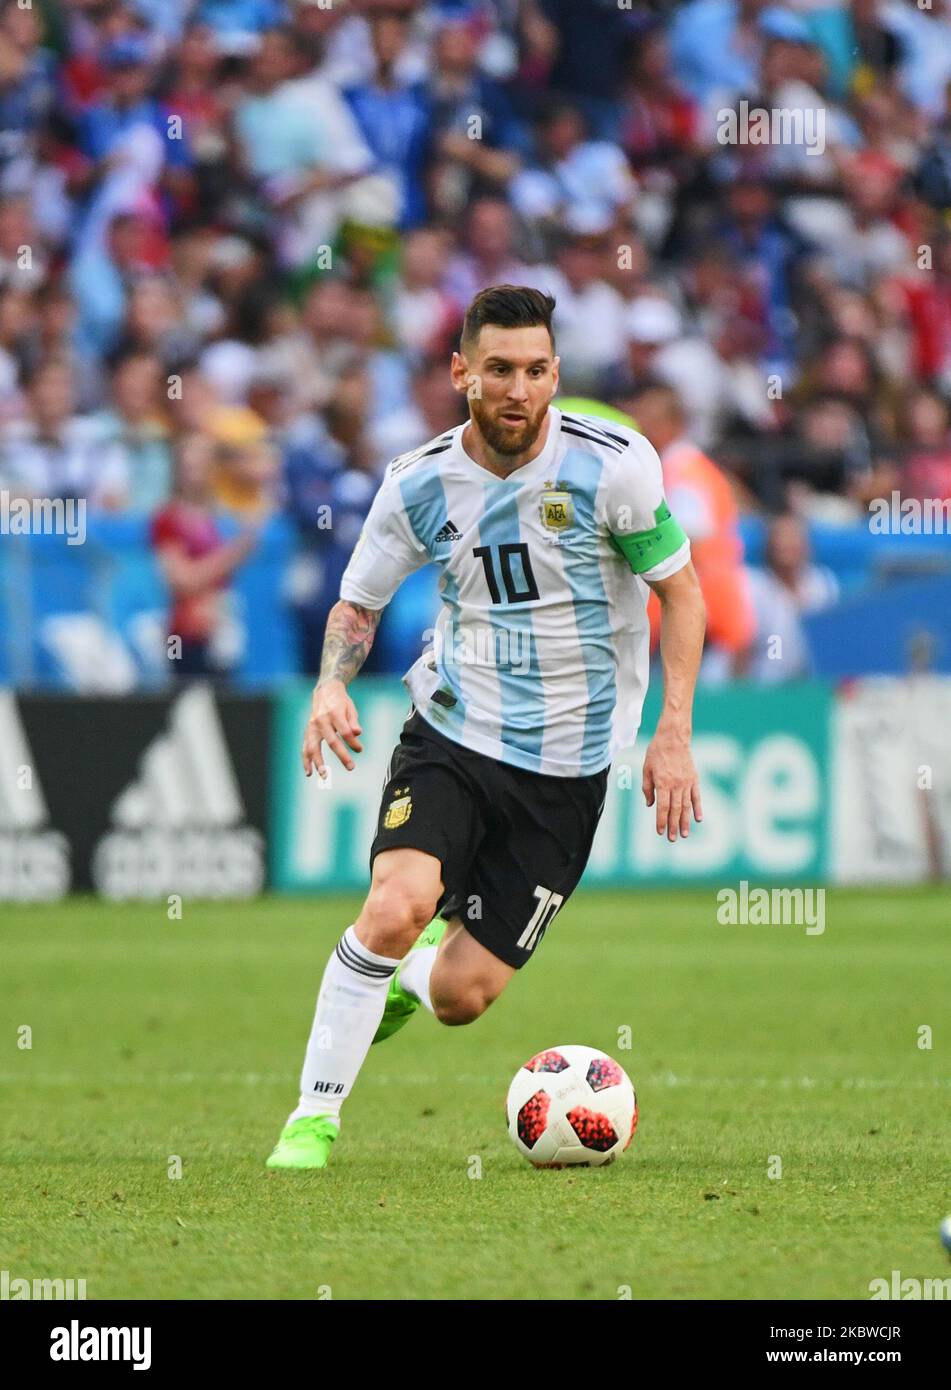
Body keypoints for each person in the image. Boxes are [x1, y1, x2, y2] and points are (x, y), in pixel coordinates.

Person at [265, 284, 706, 1171]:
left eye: (537, 371)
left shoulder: (613, 466)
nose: (518, 390)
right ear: (461, 371)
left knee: (463, 996)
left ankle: (418, 974)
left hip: (571, 765)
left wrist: (673, 731)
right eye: (498, 369)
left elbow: (680, 594)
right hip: (454, 734)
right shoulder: (418, 482)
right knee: (394, 907)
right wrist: (328, 685)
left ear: (555, 374)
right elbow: (357, 604)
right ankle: (311, 1121)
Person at [150, 431, 259, 678]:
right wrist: (235, 553)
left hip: (221, 627)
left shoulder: (219, 517)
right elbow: (182, 580)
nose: (194, 474)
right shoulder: (167, 519)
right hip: (188, 635)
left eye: (201, 465)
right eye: (188, 466)